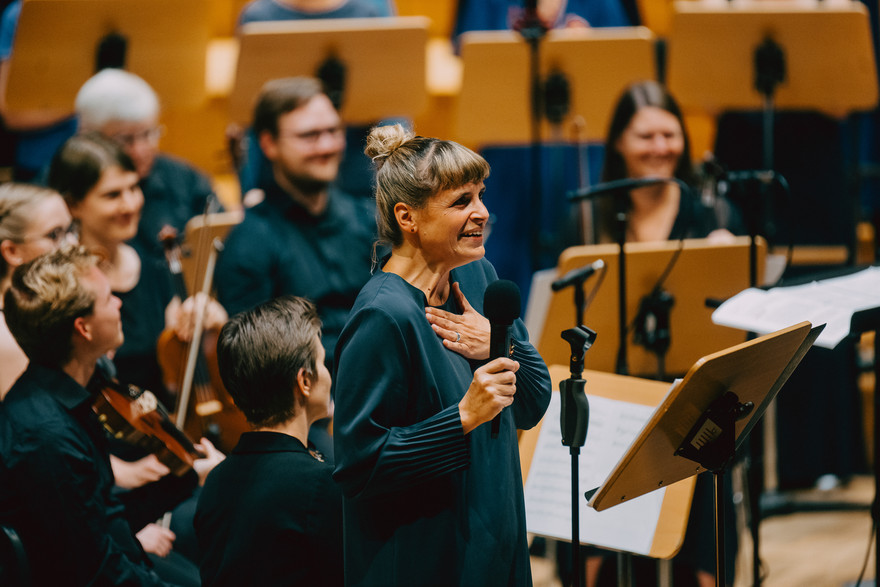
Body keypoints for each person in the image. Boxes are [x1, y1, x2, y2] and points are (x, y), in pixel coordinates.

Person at [332, 124, 552, 586]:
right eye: (461, 202)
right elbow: (359, 466)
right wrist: (461, 419)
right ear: (407, 218)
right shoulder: (382, 316)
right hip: (425, 562)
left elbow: (532, 405)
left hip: (495, 543)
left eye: (480, 195)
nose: (482, 213)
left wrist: (500, 342)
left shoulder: (478, 277)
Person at [0, 244, 214, 585]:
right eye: (108, 298)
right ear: (83, 328)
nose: (119, 303)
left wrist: (187, 474)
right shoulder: (46, 437)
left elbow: (105, 518)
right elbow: (97, 571)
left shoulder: (82, 390)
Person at [215, 76, 376, 371]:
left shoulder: (368, 218)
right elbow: (256, 363)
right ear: (269, 144)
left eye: (333, 131)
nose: (327, 146)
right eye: (309, 135)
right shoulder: (249, 243)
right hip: (313, 397)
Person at [194, 295, 343, 587]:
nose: (328, 374)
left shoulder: (215, 482)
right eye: (323, 362)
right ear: (305, 381)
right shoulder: (322, 486)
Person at [74, 68, 218, 264]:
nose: (140, 150)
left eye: (148, 134)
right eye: (125, 139)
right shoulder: (65, 184)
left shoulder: (185, 178)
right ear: (89, 135)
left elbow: (222, 233)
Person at [597, 79, 740, 244]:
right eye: (646, 137)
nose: (660, 148)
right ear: (618, 141)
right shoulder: (587, 219)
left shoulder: (717, 214)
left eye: (669, 135)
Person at [0, 182, 74, 396]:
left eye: (71, 230)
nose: (71, 245)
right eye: (54, 235)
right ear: (12, 251)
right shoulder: (7, 337)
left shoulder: (49, 305)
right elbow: (33, 423)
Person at [0, 0, 77, 180]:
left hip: (102, 160)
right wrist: (84, 104)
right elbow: (11, 113)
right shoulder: (23, 12)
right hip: (42, 163)